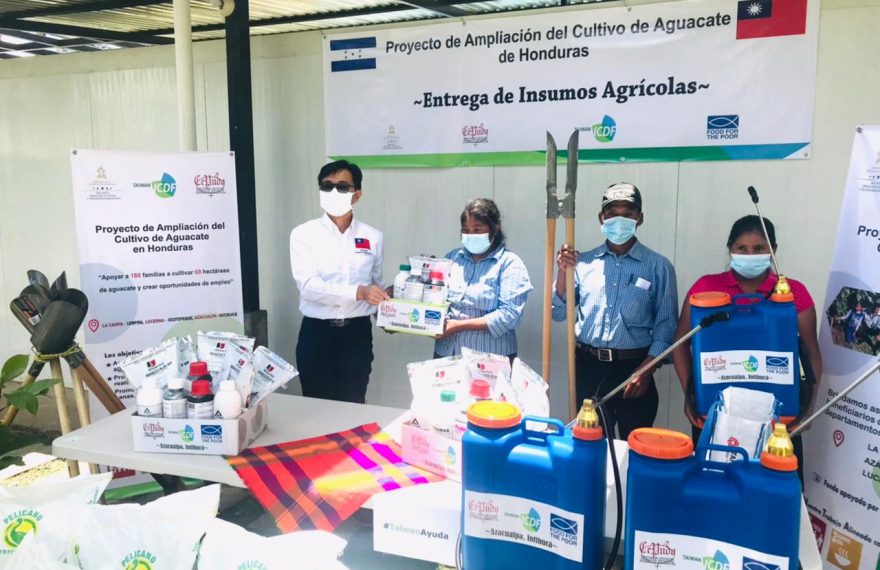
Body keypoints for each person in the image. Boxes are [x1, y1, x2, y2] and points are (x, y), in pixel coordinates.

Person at [671, 215, 823, 478]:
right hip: (716, 414)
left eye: (759, 248)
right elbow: (680, 344)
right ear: (730, 248)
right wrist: (690, 394)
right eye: (742, 248)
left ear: (773, 250)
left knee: (778, 486)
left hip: (778, 420)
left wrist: (808, 408)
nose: (750, 255)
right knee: (713, 486)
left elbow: (812, 353)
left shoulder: (793, 292)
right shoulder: (706, 287)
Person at [553, 182, 678, 439]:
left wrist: (646, 369)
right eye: (612, 213)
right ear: (602, 218)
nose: (619, 220)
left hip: (634, 369)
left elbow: (666, 326)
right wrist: (563, 272)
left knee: (634, 444)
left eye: (628, 213)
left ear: (640, 218)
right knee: (589, 443)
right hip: (587, 367)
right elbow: (558, 313)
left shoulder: (658, 266)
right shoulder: (583, 262)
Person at [289, 160, 390, 404]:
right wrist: (358, 292)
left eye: (342, 187)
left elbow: (377, 287)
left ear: (357, 195)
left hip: (357, 335)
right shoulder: (304, 234)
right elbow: (309, 287)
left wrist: (392, 315)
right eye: (327, 186)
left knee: (354, 406)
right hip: (317, 333)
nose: (334, 192)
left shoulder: (373, 237)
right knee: (318, 408)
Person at [434, 198, 532, 360]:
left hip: (488, 359)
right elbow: (434, 294)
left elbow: (510, 316)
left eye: (477, 229)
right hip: (446, 354)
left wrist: (458, 326)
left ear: (495, 228)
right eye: (465, 230)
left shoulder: (509, 264)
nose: (470, 235)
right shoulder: (452, 258)